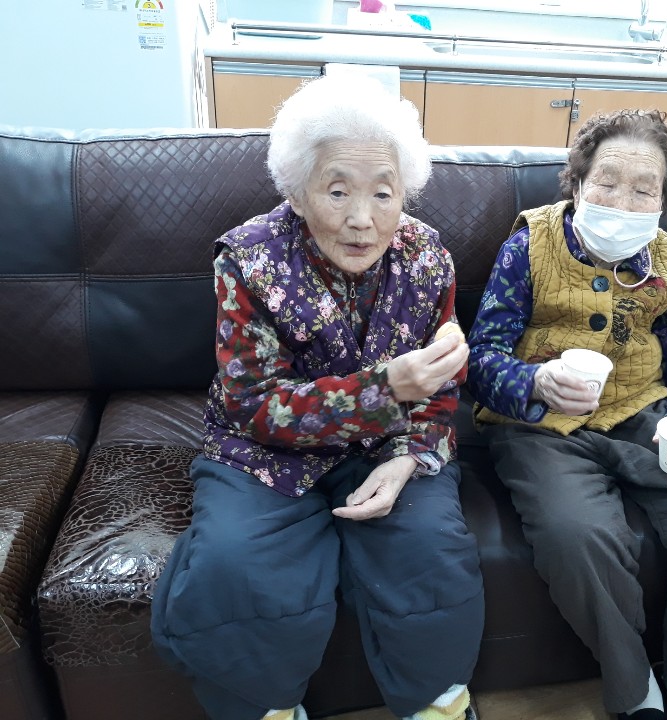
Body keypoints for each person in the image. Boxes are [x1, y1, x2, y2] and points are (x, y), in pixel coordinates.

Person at [151, 75, 483, 720]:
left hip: (387, 445)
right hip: (264, 451)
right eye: (337, 191)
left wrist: (409, 458)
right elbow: (251, 403)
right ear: (298, 193)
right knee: (234, 566)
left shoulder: (428, 258)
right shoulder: (248, 260)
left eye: (383, 193)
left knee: (432, 554)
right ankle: (266, 709)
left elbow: (444, 385)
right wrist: (386, 388)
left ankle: (439, 705)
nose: (362, 219)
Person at [466, 108, 667, 720]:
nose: (621, 202)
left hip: (643, 411)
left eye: (643, 191)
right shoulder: (529, 245)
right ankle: (635, 689)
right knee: (575, 534)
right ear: (578, 183)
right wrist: (534, 381)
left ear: (664, 203)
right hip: (540, 426)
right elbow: (481, 356)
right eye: (606, 183)